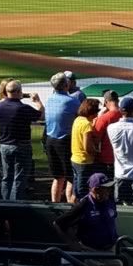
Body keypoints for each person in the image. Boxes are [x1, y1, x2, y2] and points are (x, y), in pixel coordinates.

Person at [0, 79, 44, 201]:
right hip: (21, 146)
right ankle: (16, 205)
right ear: (19, 92)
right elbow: (41, 115)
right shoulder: (23, 108)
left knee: (6, 176)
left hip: (5, 145)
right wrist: (37, 101)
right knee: (19, 178)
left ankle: (6, 203)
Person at [55, 173, 119, 253]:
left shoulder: (110, 199)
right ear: (95, 190)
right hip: (90, 252)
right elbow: (58, 223)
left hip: (111, 250)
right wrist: (72, 243)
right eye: (105, 188)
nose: (109, 191)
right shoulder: (84, 204)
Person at [43, 73, 80, 203]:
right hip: (65, 143)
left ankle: (55, 205)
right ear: (66, 84)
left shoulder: (49, 99)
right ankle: (71, 209)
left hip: (50, 141)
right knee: (72, 178)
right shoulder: (72, 101)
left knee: (57, 177)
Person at [69, 97, 102, 202]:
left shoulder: (78, 120)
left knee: (76, 190)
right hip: (84, 162)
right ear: (92, 112)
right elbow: (87, 147)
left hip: (75, 159)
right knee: (82, 193)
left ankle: (72, 209)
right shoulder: (86, 124)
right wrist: (97, 152)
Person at [92, 89, 122, 172]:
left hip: (107, 159)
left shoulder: (103, 119)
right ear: (118, 100)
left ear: (105, 102)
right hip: (123, 159)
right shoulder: (125, 115)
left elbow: (95, 140)